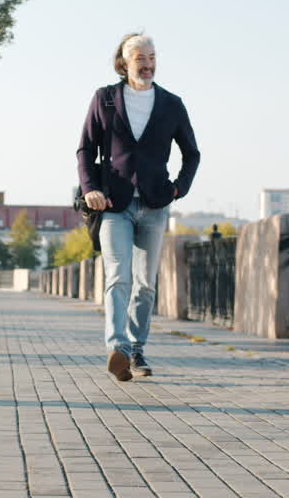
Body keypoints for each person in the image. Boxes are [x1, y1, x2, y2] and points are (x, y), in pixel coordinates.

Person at [77, 33, 200, 381]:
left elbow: (192, 153)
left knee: (145, 283)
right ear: (124, 63)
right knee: (118, 277)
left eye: (152, 57)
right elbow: (85, 149)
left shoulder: (171, 103)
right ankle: (117, 347)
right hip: (114, 203)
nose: (147, 64)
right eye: (140, 58)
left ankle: (136, 349)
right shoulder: (105, 99)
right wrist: (90, 190)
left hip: (155, 203)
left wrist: (179, 188)